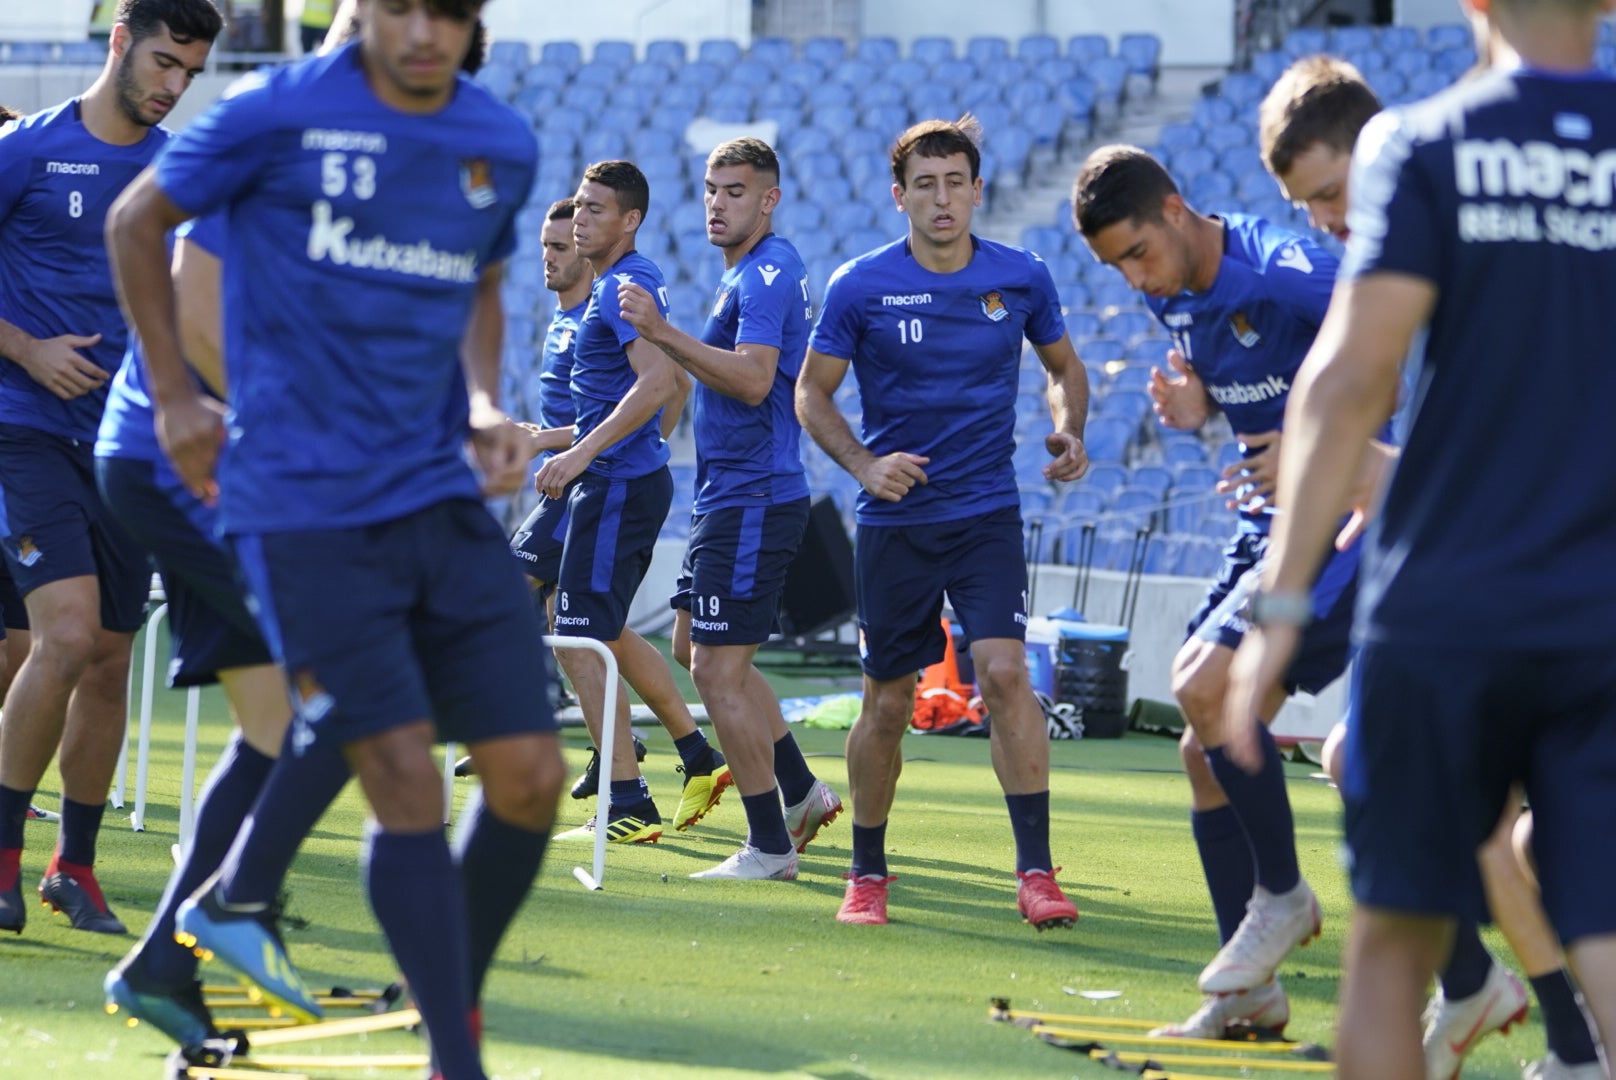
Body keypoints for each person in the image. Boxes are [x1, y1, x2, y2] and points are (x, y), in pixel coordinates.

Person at [106, 2, 565, 1077]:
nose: (422, 31)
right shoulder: (277, 112)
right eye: (399, 6)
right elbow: (139, 226)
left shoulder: (498, 140)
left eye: (447, 11)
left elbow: (482, 281)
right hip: (293, 496)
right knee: (399, 761)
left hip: (434, 499)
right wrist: (175, 398)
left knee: (531, 775)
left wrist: (486, 402)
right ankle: (452, 1050)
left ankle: (234, 908)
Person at [1221, 0, 1616, 1076]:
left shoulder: (1416, 141)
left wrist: (1278, 609)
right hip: (1595, 609)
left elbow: (1347, 379)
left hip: (1445, 604)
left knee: (1392, 944)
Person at [1072, 144, 1354, 1021]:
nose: (1133, 280)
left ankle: (1287, 898)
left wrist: (1323, 447)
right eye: (1116, 266)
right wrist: (1200, 414)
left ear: (1177, 209)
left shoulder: (1292, 272)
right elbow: (1257, 397)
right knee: (1205, 753)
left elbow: (1414, 359)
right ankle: (1252, 993)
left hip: (1350, 524)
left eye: (1137, 254)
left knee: (1205, 687)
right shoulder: (1176, 300)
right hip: (1265, 531)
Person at [796, 116, 1089, 927]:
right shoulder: (860, 284)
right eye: (924, 184)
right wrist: (863, 465)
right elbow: (810, 393)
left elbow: (1064, 368)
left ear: (977, 189)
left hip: (987, 513)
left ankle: (1036, 873)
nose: (942, 198)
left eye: (955, 181)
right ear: (900, 197)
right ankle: (867, 873)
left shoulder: (1021, 277)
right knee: (887, 704)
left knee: (1003, 674)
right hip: (896, 525)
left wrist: (1070, 428)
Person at [0, 0, 222, 937]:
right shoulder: (22, 150)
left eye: (192, 73)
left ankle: (74, 867)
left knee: (111, 659)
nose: (174, 86)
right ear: (121, 42)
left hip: (127, 449)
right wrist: (25, 350)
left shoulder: (181, 173)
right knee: (64, 634)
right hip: (24, 430)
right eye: (165, 62)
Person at [618, 136, 843, 880]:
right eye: (712, 189)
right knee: (695, 650)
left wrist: (661, 333)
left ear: (769, 199)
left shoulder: (770, 273)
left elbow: (752, 381)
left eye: (736, 191)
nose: (718, 202)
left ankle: (769, 846)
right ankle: (803, 791)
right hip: (726, 495)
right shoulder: (744, 274)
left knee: (717, 670)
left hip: (754, 496)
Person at [508, 197, 723, 822]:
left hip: (599, 480)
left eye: (563, 243)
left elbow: (666, 385)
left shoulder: (614, 296)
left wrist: (568, 445)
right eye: (547, 244)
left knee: (561, 619)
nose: (552, 253)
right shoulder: (567, 316)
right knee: (587, 625)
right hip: (581, 479)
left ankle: (610, 768)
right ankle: (684, 749)